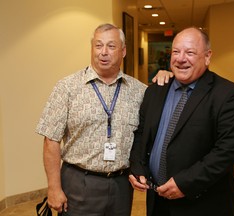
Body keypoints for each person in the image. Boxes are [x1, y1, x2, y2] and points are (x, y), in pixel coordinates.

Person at [35, 23, 171, 216]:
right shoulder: (67, 87)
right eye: (98, 46)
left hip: (121, 185)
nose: (103, 52)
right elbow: (51, 140)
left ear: (123, 51)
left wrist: (167, 77)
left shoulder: (139, 91)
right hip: (79, 182)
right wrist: (54, 188)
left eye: (111, 46)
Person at [129, 27, 234, 216]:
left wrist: (185, 183)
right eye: (176, 51)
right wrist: (137, 166)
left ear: (207, 57)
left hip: (202, 204)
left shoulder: (228, 94)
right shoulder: (155, 90)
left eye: (190, 52)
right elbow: (141, 132)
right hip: (157, 201)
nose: (181, 58)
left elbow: (229, 149)